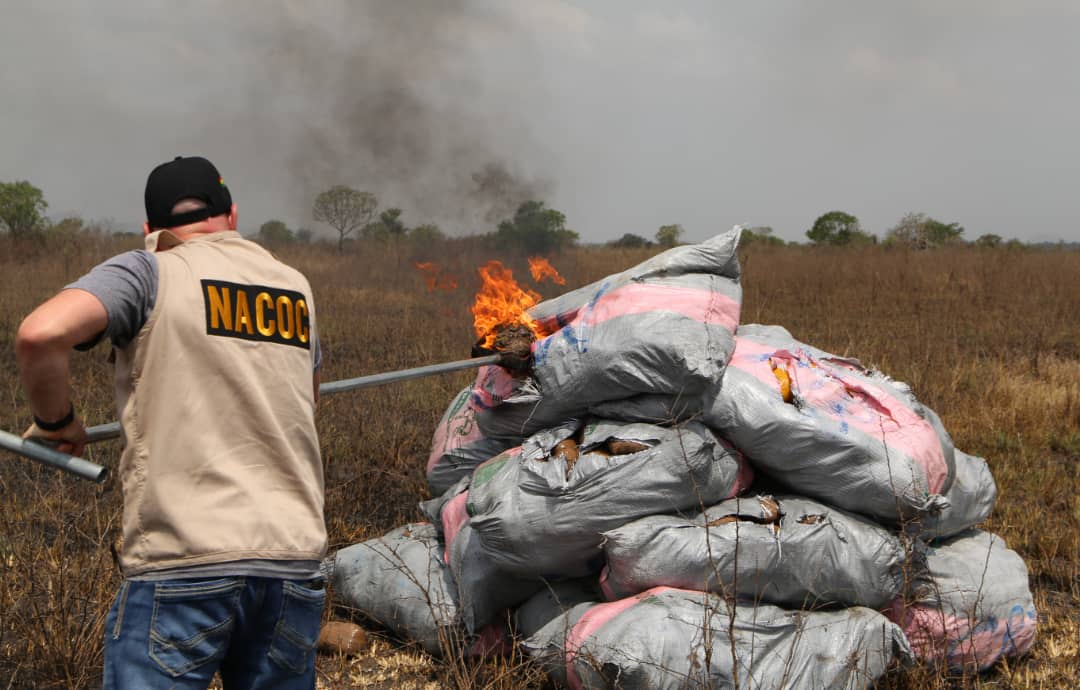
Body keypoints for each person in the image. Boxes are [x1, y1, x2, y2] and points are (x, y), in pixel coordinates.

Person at [15, 156, 327, 689]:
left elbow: (41, 334)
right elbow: (308, 400)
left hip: (185, 560)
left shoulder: (150, 270)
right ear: (231, 215)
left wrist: (57, 423)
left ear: (151, 229)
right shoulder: (294, 285)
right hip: (292, 564)